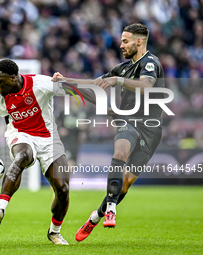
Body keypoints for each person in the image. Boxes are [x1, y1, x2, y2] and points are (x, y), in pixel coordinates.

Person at [53, 23, 165, 241]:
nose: (121, 45)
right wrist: (66, 80)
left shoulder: (151, 63)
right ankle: (111, 209)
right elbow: (96, 84)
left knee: (125, 184)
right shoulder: (123, 67)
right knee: (120, 151)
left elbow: (147, 86)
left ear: (139, 42)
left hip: (151, 129)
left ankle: (96, 216)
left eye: (125, 41)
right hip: (127, 119)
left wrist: (118, 80)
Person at [0, 59, 70, 245]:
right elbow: (7, 118)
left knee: (62, 189)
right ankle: (0, 209)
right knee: (22, 156)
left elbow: (70, 90)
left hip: (49, 138)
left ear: (13, 78)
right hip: (20, 133)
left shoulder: (41, 84)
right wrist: (14, 138)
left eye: (0, 81)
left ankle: (54, 232)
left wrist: (63, 82)